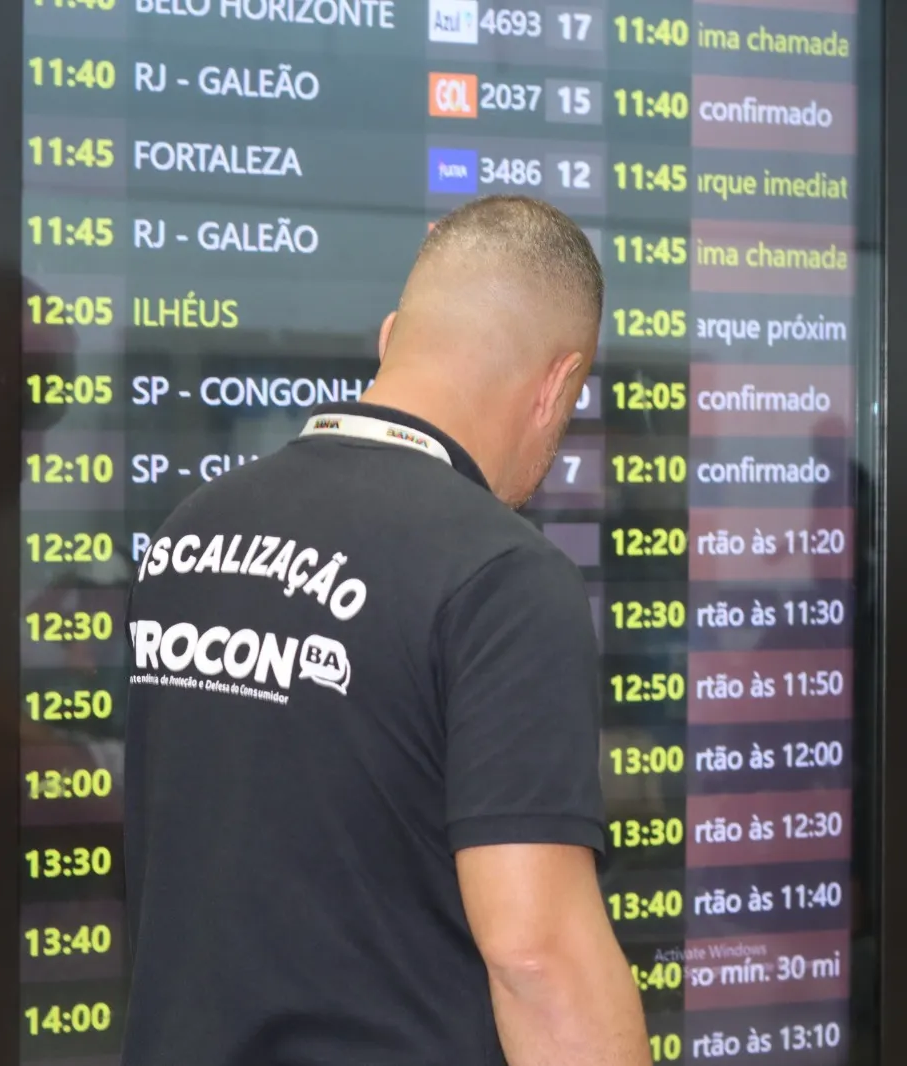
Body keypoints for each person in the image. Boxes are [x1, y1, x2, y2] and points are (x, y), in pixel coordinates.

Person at [121, 196, 651, 1066]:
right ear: (557, 383)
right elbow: (536, 955)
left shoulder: (191, 531)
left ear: (391, 334)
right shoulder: (502, 575)